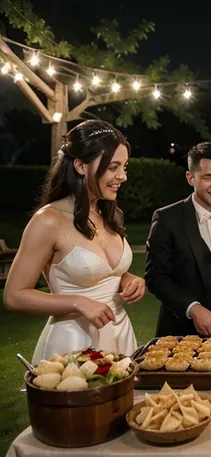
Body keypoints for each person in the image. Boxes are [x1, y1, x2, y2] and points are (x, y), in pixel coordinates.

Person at [3, 120, 144, 363]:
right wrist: (79, 303)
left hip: (121, 336)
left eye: (124, 166)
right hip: (74, 344)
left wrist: (127, 278)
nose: (122, 176)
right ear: (80, 165)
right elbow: (14, 296)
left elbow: (107, 272)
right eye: (113, 167)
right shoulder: (48, 221)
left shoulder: (109, 213)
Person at [145, 142, 211, 336]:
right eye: (209, 178)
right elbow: (155, 277)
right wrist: (192, 308)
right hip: (179, 332)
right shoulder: (167, 218)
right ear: (190, 178)